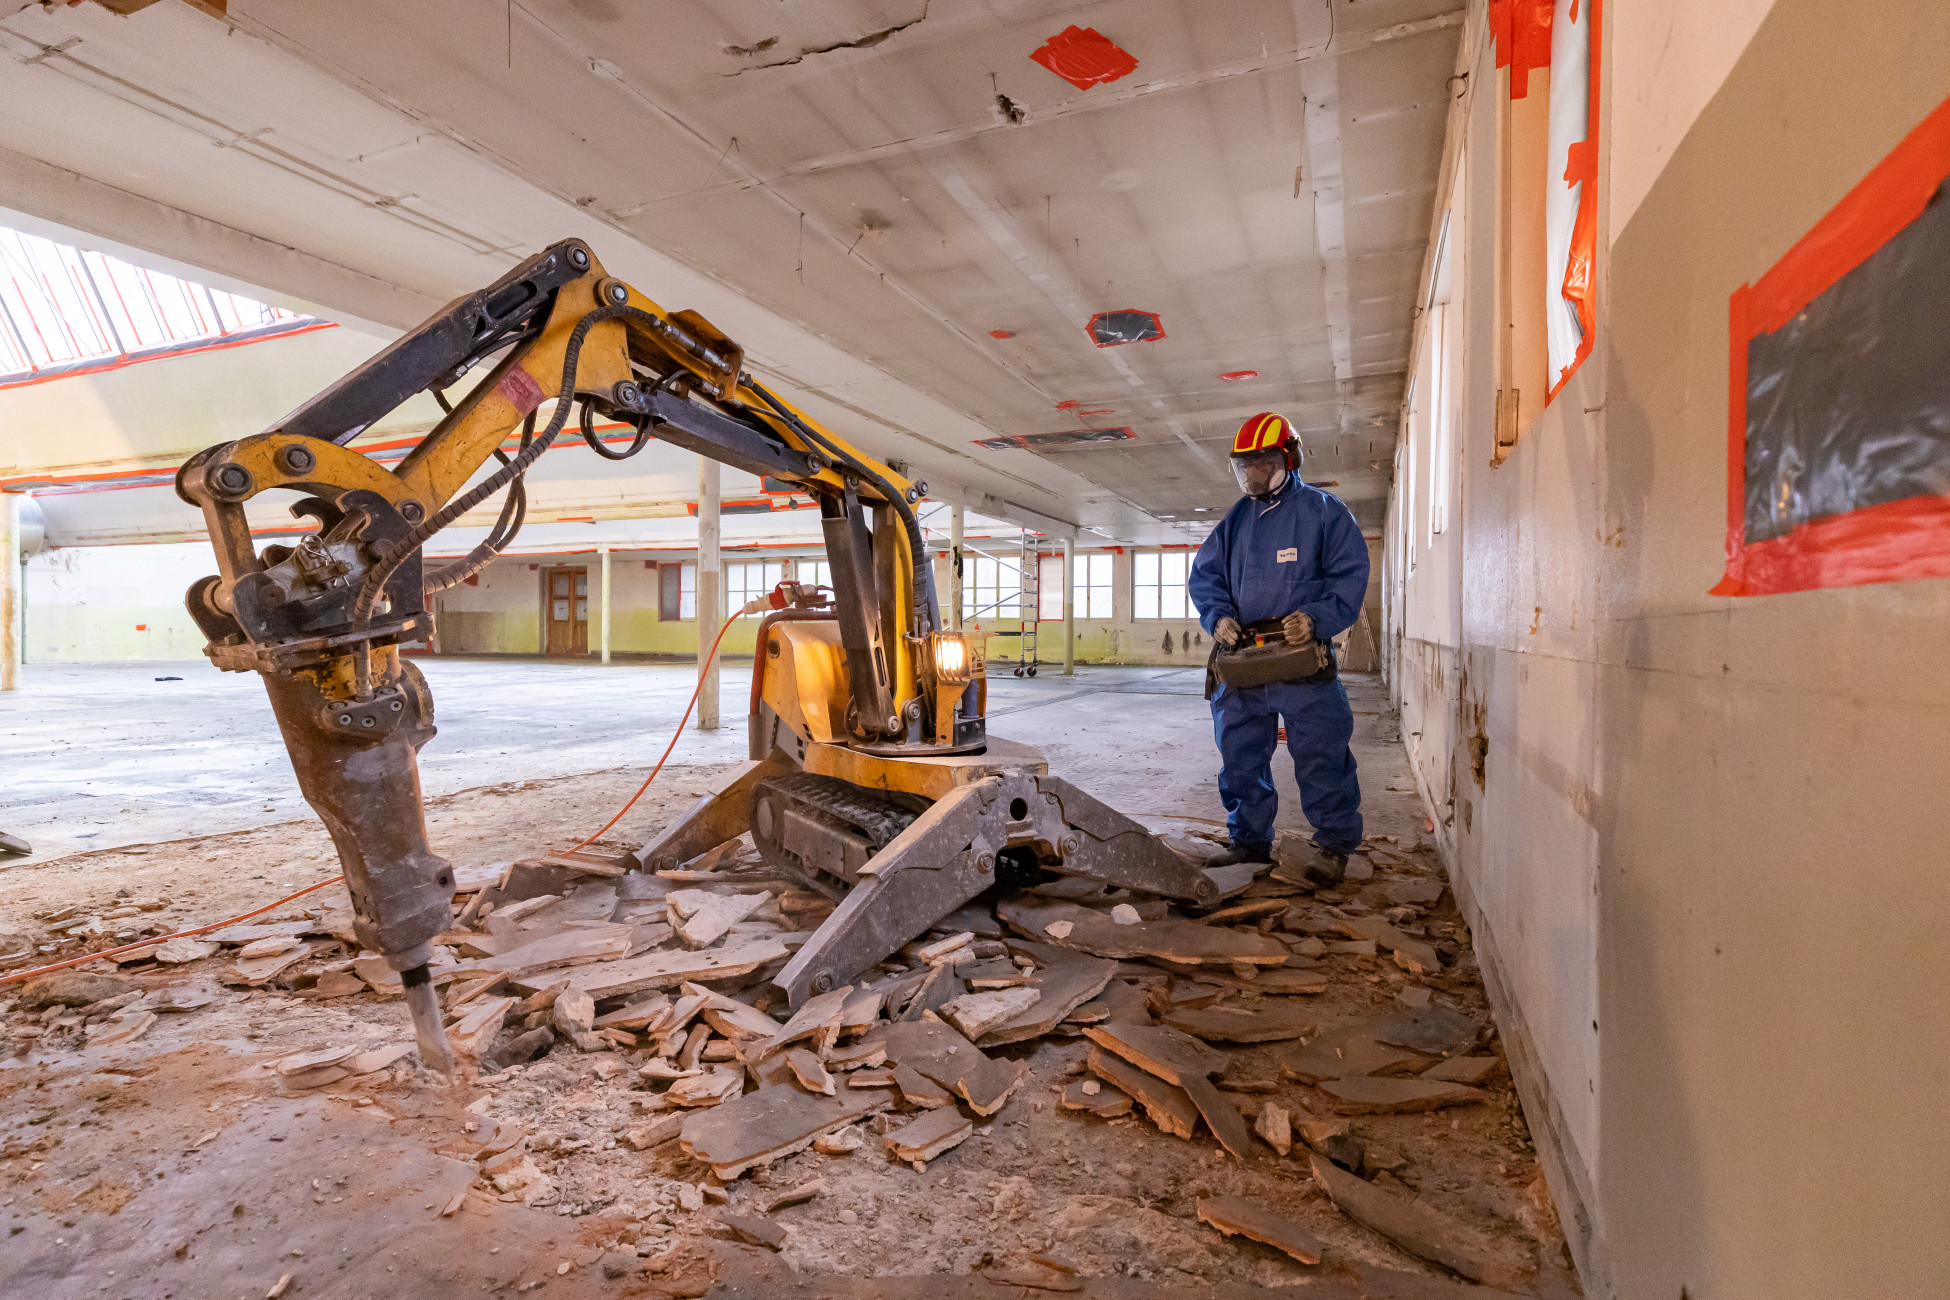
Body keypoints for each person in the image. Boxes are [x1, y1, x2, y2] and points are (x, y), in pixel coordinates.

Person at [1188, 412, 1370, 883]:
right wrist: (1218, 617)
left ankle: (1333, 845)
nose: (1251, 475)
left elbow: (1349, 578)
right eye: (1243, 466)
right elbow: (1206, 576)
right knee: (1239, 756)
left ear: (1289, 459)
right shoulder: (1236, 520)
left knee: (1321, 754)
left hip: (1301, 663)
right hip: (1245, 662)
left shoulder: (1325, 513)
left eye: (1262, 464)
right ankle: (1249, 844)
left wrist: (1314, 618)